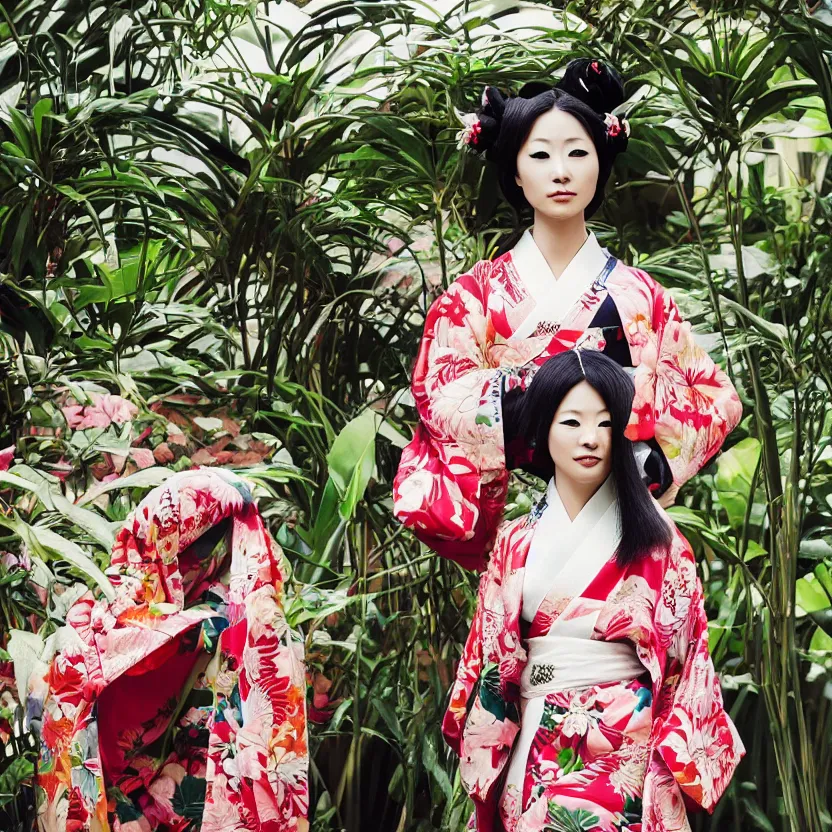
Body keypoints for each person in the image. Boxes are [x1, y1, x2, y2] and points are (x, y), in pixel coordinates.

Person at [392, 58, 742, 570]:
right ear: (514, 169)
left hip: (626, 518)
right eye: (540, 155)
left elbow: (716, 400)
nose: (561, 171)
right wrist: (562, 397)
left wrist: (640, 434)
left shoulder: (640, 295)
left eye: (578, 152)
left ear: (600, 162)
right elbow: (440, 396)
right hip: (518, 537)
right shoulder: (472, 298)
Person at [442, 348, 744, 831]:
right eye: (571, 423)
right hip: (534, 747)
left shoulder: (660, 542)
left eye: (605, 423)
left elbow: (687, 667)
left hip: (624, 758)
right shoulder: (516, 541)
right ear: (543, 431)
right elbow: (491, 661)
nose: (589, 439)